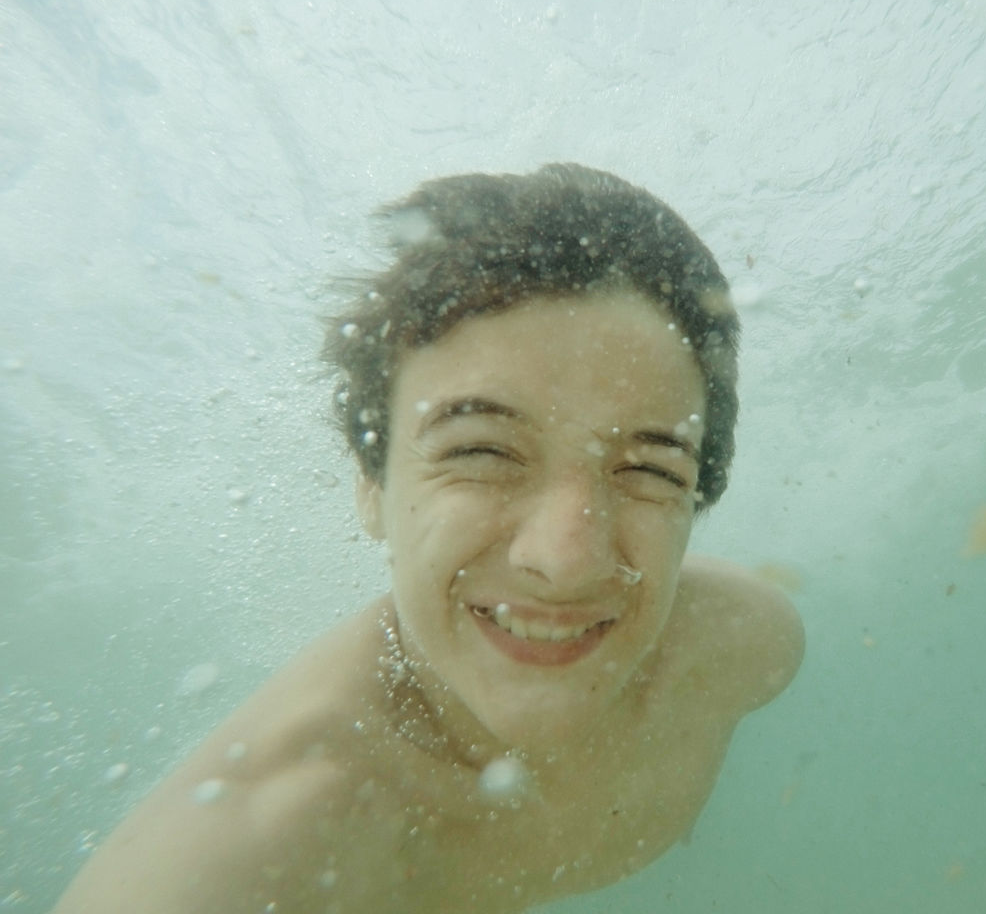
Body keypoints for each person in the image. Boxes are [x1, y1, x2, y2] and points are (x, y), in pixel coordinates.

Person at [53, 163, 804, 913]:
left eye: (648, 468)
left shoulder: (742, 648)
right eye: (481, 451)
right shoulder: (239, 865)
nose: (567, 561)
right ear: (372, 487)